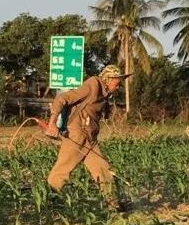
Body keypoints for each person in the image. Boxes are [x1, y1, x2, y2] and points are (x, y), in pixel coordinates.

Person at [45, 64, 129, 211]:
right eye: (117, 81)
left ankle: (113, 204)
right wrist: (52, 123)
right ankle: (51, 202)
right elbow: (62, 98)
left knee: (103, 169)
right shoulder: (93, 84)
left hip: (90, 139)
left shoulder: (105, 94)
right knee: (63, 169)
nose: (119, 85)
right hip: (76, 135)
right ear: (108, 79)